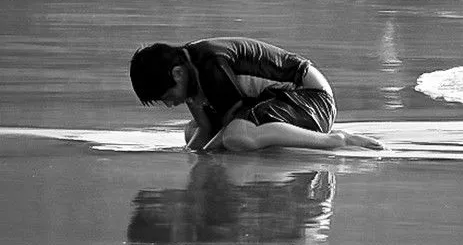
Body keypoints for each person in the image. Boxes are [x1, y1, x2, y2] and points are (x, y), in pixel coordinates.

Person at [129, 37, 383, 152]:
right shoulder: (189, 68)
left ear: (177, 75)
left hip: (312, 100)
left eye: (167, 97)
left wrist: (204, 157)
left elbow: (230, 123)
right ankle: (280, 141)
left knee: (235, 136)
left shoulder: (209, 66)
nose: (170, 104)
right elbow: (205, 129)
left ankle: (337, 141)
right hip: (275, 102)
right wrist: (192, 154)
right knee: (190, 131)